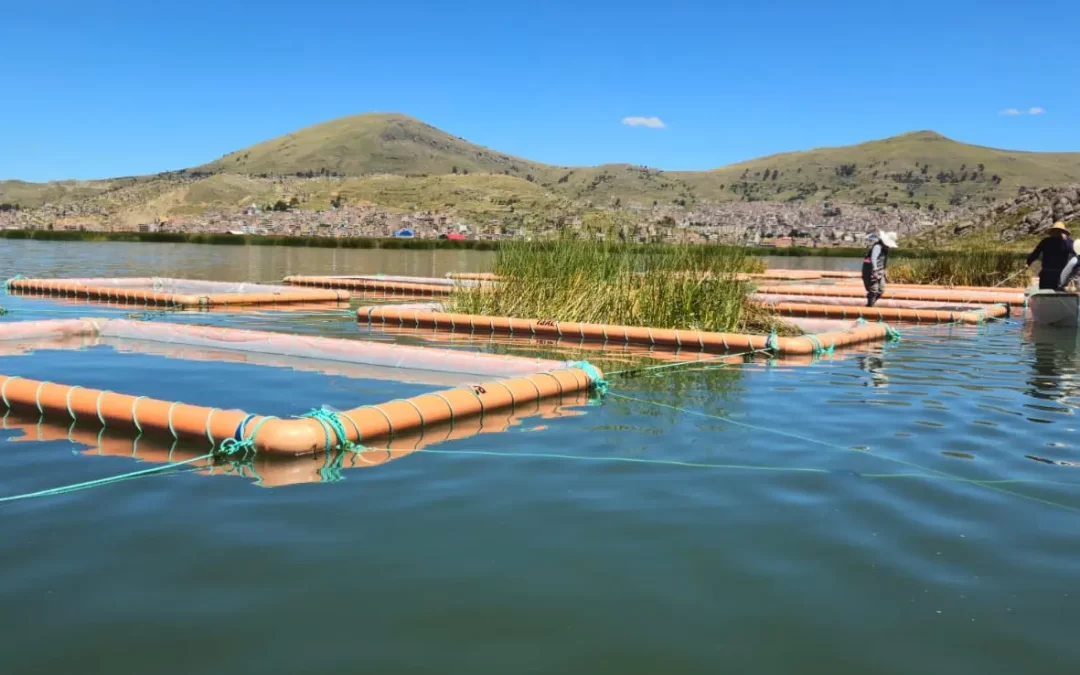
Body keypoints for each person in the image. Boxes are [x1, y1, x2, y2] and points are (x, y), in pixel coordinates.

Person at [1026, 222, 1074, 290]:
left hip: (1049, 275)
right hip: (1058, 275)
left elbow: (1035, 254)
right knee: (1058, 295)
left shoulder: (1046, 242)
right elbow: (1076, 252)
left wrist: (1028, 262)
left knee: (1045, 294)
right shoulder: (1067, 243)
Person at [862, 230, 897, 307]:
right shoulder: (877, 247)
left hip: (880, 271)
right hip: (871, 270)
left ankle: (871, 303)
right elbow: (873, 258)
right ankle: (870, 306)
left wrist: (884, 270)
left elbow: (883, 261)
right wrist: (875, 270)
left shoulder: (885, 249)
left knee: (881, 289)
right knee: (873, 290)